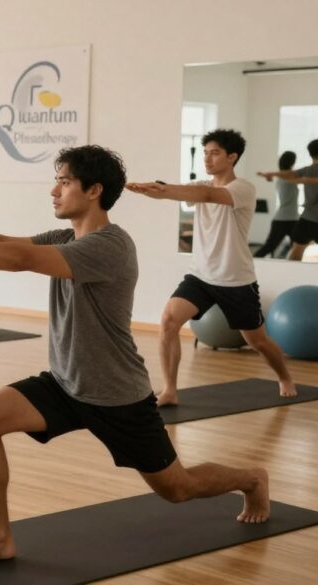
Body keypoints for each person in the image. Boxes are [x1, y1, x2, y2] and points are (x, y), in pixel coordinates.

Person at [0, 145, 270, 571]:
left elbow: (20, 259)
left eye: (64, 181)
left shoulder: (110, 245)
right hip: (66, 382)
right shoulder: (65, 236)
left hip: (117, 396)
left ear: (94, 190)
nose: (54, 191)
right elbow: (6, 241)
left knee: (177, 488)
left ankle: (252, 478)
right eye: (56, 180)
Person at [128, 129, 295, 405]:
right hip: (200, 276)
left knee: (258, 343)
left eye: (214, 153)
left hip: (236, 280)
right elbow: (183, 193)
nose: (207, 158)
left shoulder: (243, 189)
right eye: (205, 152)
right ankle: (170, 389)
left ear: (232, 157)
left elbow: (206, 195)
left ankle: (284, 376)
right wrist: (150, 190)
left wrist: (164, 188)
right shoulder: (202, 185)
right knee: (169, 321)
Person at [258, 139, 318, 261]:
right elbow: (292, 174)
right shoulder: (292, 176)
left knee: (294, 249)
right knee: (272, 247)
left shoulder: (305, 171)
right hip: (289, 218)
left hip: (303, 218)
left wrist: (271, 174)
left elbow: (295, 175)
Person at [253, 151, 300, 258]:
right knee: (269, 247)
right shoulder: (287, 176)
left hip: (294, 218)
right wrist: (269, 175)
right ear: (291, 162)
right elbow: (289, 175)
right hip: (282, 219)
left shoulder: (286, 176)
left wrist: (269, 175)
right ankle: (252, 262)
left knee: (296, 247)